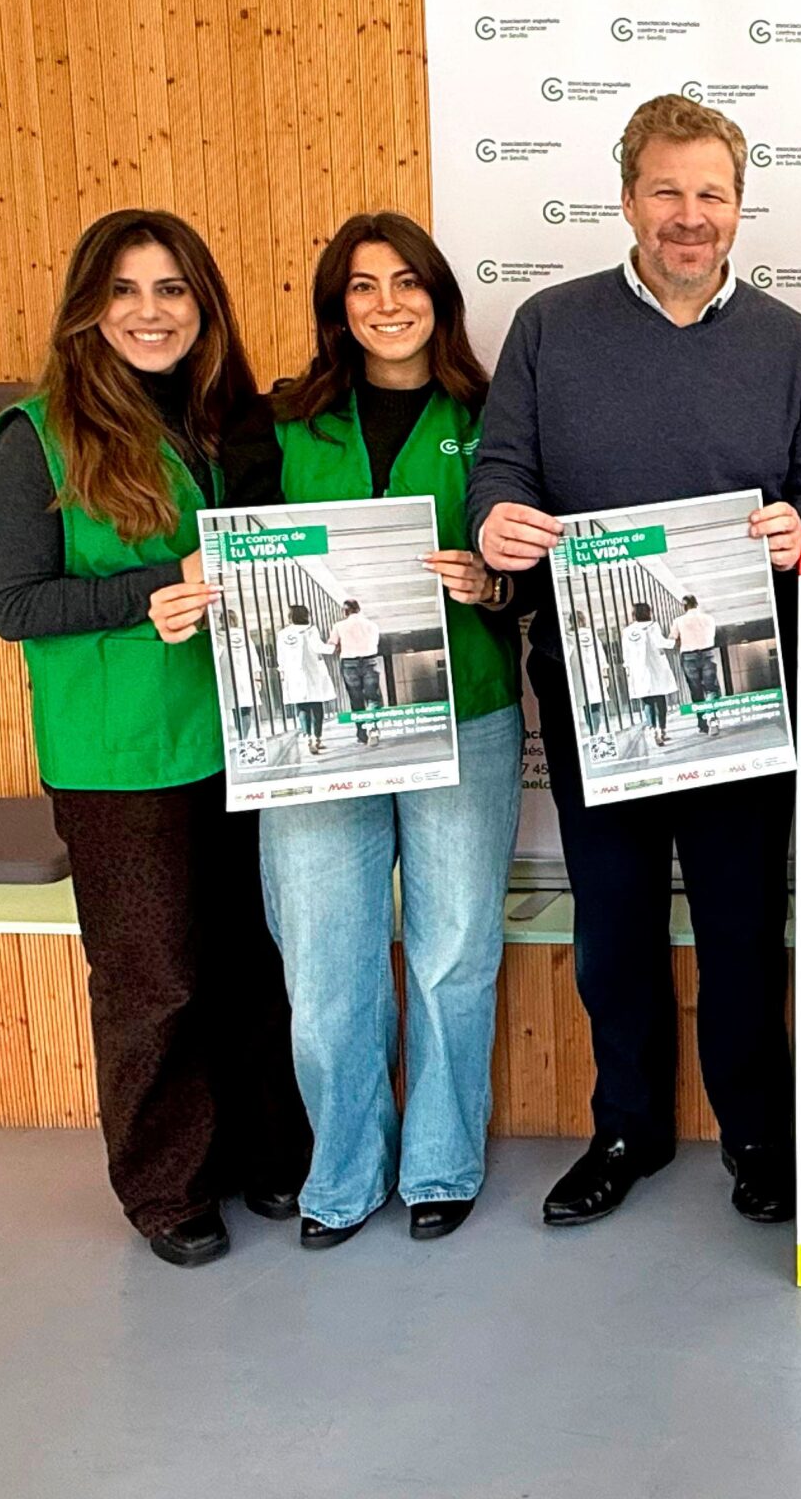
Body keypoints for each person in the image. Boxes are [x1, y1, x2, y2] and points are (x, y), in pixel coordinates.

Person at [470, 91, 801, 1228]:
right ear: (628, 199)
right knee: (615, 928)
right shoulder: (549, 327)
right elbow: (502, 469)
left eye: (711, 195)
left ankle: (756, 1134)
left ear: (740, 206)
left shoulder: (793, 345)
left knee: (742, 929)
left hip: (743, 693)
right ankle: (626, 1128)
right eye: (667, 193)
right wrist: (496, 520)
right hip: (596, 691)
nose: (690, 216)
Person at [0, 208, 310, 1267]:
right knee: (154, 979)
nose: (149, 312)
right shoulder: (38, 435)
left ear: (202, 305)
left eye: (171, 289)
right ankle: (168, 1188)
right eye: (124, 290)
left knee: (250, 960)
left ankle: (266, 1150)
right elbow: (15, 604)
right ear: (88, 307)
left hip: (244, 734)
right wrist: (152, 589)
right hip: (120, 755)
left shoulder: (228, 423)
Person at [259, 210, 525, 1249]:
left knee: (454, 952)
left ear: (439, 297)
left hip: (465, 713)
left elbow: (535, 567)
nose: (387, 304)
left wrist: (493, 587)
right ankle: (341, 1173)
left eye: (407, 282)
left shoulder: (495, 414)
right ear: (338, 307)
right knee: (326, 965)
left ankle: (442, 1163)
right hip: (315, 733)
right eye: (363, 286)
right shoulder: (283, 422)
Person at [275, 603, 338, 753]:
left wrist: (282, 672)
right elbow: (318, 647)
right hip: (312, 672)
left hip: (293, 674)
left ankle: (307, 737)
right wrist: (334, 648)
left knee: (301, 706)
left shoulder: (282, 634)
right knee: (316, 706)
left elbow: (280, 657)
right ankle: (317, 738)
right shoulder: (310, 630)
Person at [328, 599, 384, 745]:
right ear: (359, 609)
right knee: (373, 698)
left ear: (345, 612)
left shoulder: (339, 626)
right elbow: (375, 643)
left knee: (356, 699)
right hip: (370, 661)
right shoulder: (372, 625)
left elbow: (332, 645)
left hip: (349, 663)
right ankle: (373, 729)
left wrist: (341, 646)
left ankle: (361, 733)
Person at [619, 601, 676, 748]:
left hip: (639, 669)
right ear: (648, 612)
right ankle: (662, 729)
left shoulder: (627, 631)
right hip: (656, 666)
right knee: (660, 699)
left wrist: (628, 669)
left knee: (647, 701)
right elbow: (660, 642)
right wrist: (673, 641)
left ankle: (652, 729)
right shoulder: (653, 626)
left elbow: (626, 653)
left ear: (634, 614)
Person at [217, 606, 267, 765]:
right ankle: (243, 739)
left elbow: (217, 655)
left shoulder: (219, 636)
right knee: (246, 709)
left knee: (236, 709)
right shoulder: (244, 635)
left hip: (228, 676)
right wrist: (257, 676)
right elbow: (253, 657)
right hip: (246, 676)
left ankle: (242, 738)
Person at [564, 608, 615, 752]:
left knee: (587, 706)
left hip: (579, 675)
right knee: (595, 705)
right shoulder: (592, 635)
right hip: (595, 674)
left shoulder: (569, 636)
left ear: (571, 622)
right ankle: (595, 733)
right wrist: (605, 674)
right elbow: (601, 655)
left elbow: (567, 655)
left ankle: (594, 733)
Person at [674, 593, 721, 735]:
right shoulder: (709, 618)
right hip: (707, 653)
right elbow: (711, 636)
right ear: (697, 604)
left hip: (688, 656)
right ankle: (712, 719)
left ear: (684, 606)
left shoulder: (678, 621)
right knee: (711, 689)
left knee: (696, 691)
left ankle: (702, 724)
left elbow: (674, 639)